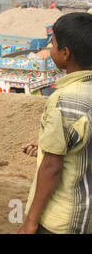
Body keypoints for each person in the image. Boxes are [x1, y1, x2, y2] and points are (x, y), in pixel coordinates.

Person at [19, 12, 92, 235]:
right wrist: (43, 145)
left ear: (65, 53)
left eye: (53, 44)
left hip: (62, 220)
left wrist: (31, 221)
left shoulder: (63, 100)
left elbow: (52, 167)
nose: (50, 50)